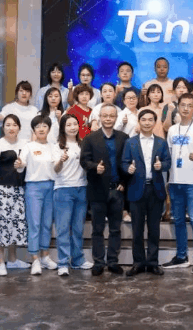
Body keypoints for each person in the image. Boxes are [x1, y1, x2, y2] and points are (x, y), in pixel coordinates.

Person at [80, 103, 130, 276]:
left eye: (111, 116)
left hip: (117, 190)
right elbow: (84, 161)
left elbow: (127, 162)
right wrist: (95, 167)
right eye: (105, 116)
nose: (108, 119)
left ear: (116, 118)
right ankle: (99, 262)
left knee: (116, 229)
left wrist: (124, 181)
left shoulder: (124, 138)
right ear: (99, 117)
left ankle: (113, 261)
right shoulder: (90, 138)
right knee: (97, 230)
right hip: (97, 189)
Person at [162, 93, 193, 274]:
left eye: (190, 105)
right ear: (178, 107)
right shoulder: (173, 130)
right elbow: (170, 155)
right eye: (183, 105)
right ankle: (181, 256)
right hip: (175, 181)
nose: (186, 108)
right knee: (179, 220)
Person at [121, 109, 171, 277]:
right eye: (144, 119)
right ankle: (138, 263)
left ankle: (152, 262)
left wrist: (161, 166)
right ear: (139, 122)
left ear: (155, 122)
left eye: (150, 120)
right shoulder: (130, 142)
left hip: (155, 189)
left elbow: (168, 162)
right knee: (137, 229)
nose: (147, 122)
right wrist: (128, 168)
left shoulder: (161, 142)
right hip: (136, 189)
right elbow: (124, 162)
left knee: (154, 229)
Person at [0, 114, 29, 276]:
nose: (11, 128)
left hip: (19, 190)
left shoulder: (25, 144)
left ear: (19, 128)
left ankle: (12, 260)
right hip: (2, 191)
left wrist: (22, 164)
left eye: (14, 125)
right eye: (8, 125)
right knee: (1, 225)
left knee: (15, 225)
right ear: (3, 127)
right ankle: (0, 263)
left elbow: (26, 164)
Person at [14, 115, 57, 275]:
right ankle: (35, 259)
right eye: (37, 126)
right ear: (33, 130)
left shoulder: (54, 146)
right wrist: (19, 164)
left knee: (47, 223)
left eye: (44, 126)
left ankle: (45, 256)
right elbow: (21, 164)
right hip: (33, 187)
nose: (41, 129)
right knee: (35, 224)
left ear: (49, 129)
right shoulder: (29, 146)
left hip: (51, 186)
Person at [52, 114, 93, 276]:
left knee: (77, 228)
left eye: (75, 124)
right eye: (68, 125)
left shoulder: (83, 144)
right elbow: (55, 170)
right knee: (63, 228)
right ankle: (63, 262)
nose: (72, 127)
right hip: (63, 189)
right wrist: (61, 160)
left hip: (81, 188)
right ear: (63, 128)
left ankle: (78, 260)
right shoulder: (57, 146)